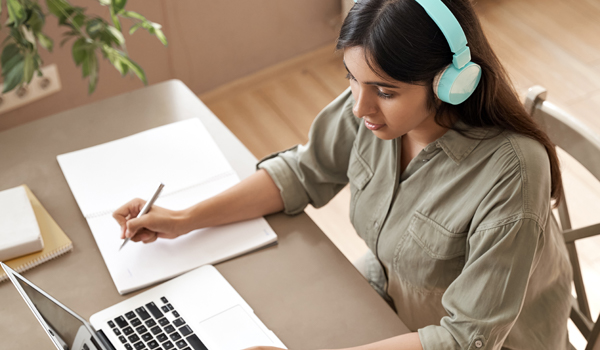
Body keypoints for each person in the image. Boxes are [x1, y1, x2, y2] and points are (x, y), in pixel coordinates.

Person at [113, 0, 573, 349]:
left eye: (385, 92)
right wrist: (185, 219)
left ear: (452, 82)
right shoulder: (374, 112)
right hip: (393, 303)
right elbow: (303, 171)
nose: (359, 106)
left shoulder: (511, 173)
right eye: (352, 78)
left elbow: (464, 339)